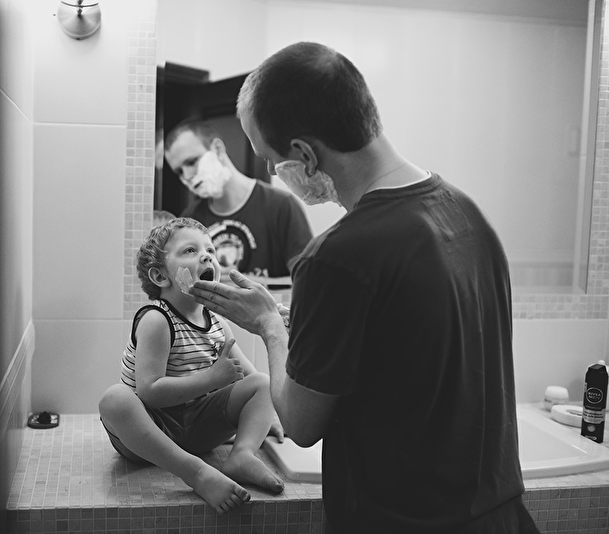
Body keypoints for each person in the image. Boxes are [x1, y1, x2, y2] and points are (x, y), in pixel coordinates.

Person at [188, 42, 539, 533]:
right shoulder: (466, 212)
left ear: (305, 155)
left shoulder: (337, 257)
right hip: (500, 517)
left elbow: (301, 424)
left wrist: (269, 325)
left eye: (271, 159)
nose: (271, 173)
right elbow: (408, 349)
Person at [98, 217, 285, 516]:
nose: (207, 256)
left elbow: (250, 380)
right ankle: (195, 472)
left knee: (262, 383)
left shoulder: (217, 324)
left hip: (198, 428)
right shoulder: (157, 320)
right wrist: (211, 378)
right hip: (151, 433)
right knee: (115, 400)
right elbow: (149, 392)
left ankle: (242, 454)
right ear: (160, 276)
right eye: (190, 250)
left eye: (210, 250)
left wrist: (264, 416)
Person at [164, 119, 312, 282]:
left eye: (192, 162)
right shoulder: (190, 219)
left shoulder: (281, 205)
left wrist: (247, 284)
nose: (187, 176)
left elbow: (309, 281)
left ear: (218, 149)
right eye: (179, 172)